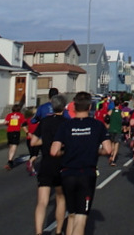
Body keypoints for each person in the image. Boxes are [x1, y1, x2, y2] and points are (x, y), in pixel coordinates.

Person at [50, 92, 112, 235]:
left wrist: (66, 152)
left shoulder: (66, 126)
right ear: (90, 107)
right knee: (81, 218)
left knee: (71, 213)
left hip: (67, 174)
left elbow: (54, 151)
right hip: (86, 174)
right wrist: (94, 151)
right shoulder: (97, 125)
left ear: (74, 107)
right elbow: (108, 149)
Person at [30, 95, 68, 235]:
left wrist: (46, 142)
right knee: (60, 197)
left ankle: (39, 232)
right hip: (60, 163)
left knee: (42, 201)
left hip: (45, 163)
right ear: (64, 107)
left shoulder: (44, 121)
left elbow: (33, 142)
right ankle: (58, 230)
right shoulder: (66, 123)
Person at [4, 104, 26, 170]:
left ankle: (10, 158)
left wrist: (9, 123)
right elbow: (23, 123)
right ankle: (10, 161)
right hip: (16, 131)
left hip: (9, 131)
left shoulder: (9, 115)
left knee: (11, 145)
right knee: (14, 145)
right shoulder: (20, 115)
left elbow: (5, 122)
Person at [22, 108, 40, 175]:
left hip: (29, 138)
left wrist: (27, 132)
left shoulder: (29, 119)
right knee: (35, 154)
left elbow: (23, 125)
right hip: (36, 138)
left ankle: (32, 169)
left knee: (32, 154)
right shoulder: (39, 120)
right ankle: (30, 162)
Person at [107, 99, 123, 166]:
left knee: (112, 143)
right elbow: (125, 119)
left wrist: (108, 124)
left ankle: (111, 154)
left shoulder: (111, 111)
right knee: (116, 144)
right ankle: (113, 159)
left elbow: (106, 118)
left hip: (111, 129)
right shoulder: (121, 112)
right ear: (119, 105)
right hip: (118, 129)